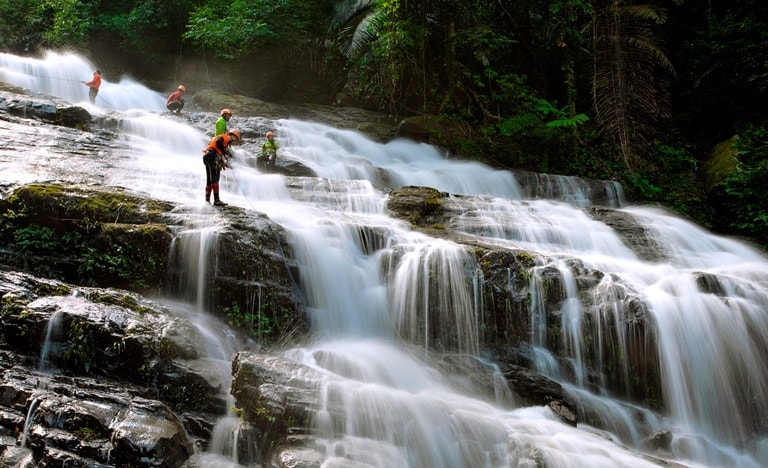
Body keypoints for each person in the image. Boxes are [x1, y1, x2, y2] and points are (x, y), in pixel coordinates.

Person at [202, 129, 242, 206]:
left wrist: (225, 164)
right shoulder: (225, 137)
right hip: (212, 157)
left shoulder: (220, 138)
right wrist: (224, 151)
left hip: (208, 157)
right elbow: (218, 142)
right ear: (233, 137)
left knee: (209, 181)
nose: (234, 143)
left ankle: (207, 201)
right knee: (215, 179)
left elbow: (216, 147)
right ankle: (216, 200)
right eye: (236, 140)